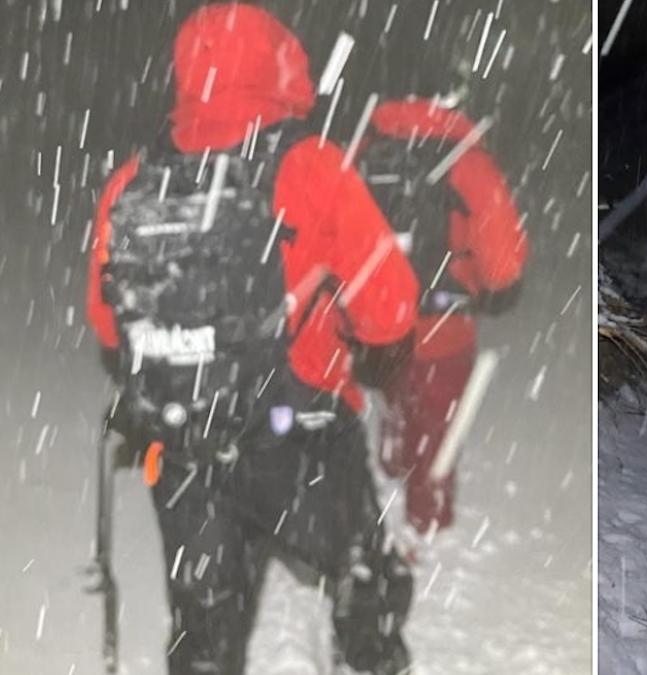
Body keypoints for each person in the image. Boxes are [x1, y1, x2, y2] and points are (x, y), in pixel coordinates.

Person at [86, 5, 417, 673]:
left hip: (184, 445)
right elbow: (393, 310)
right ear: (282, 67)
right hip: (302, 437)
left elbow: (105, 320)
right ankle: (369, 647)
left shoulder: (134, 179)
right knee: (364, 583)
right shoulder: (310, 165)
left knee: (204, 629)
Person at [358, 98, 528, 535]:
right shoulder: (468, 161)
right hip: (444, 323)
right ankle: (427, 515)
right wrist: (497, 288)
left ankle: (395, 446)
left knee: (398, 389)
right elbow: (502, 255)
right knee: (436, 420)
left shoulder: (367, 149)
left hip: (380, 320)